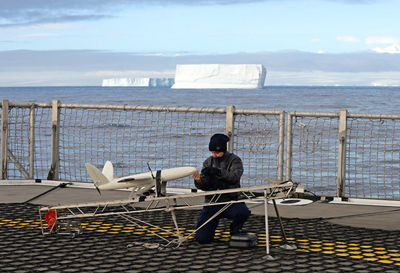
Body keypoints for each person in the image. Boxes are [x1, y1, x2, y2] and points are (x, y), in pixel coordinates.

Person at [192, 133, 251, 244]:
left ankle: (235, 230)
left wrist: (219, 172)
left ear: (224, 149)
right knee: (202, 239)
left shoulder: (235, 160)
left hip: (230, 201)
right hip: (212, 203)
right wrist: (199, 181)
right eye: (212, 152)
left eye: (217, 152)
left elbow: (234, 177)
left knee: (243, 212)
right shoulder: (208, 162)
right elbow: (204, 185)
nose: (214, 155)